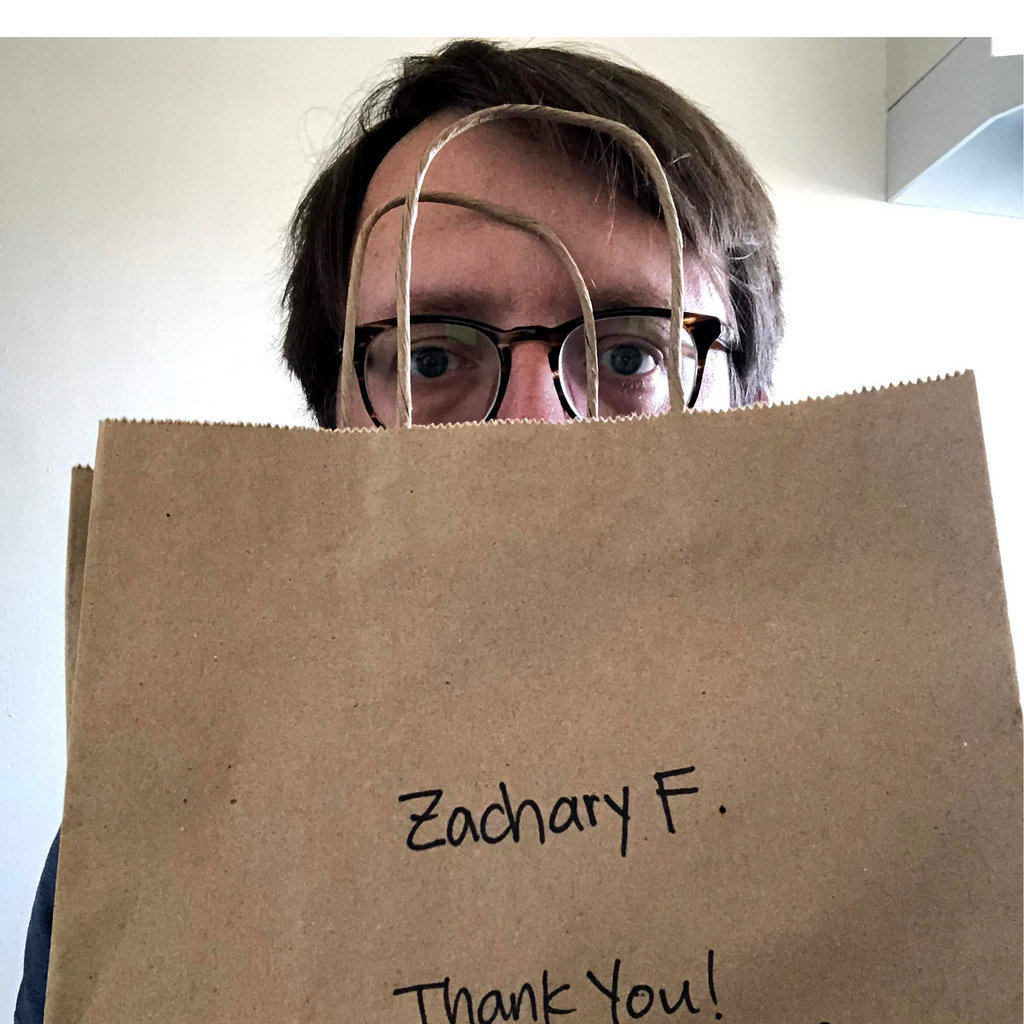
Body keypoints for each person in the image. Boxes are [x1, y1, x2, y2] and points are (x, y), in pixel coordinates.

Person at [15, 37, 782, 1023]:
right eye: (430, 361)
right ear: (330, 425)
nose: (530, 433)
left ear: (761, 413)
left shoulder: (913, 783)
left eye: (632, 354)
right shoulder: (150, 839)